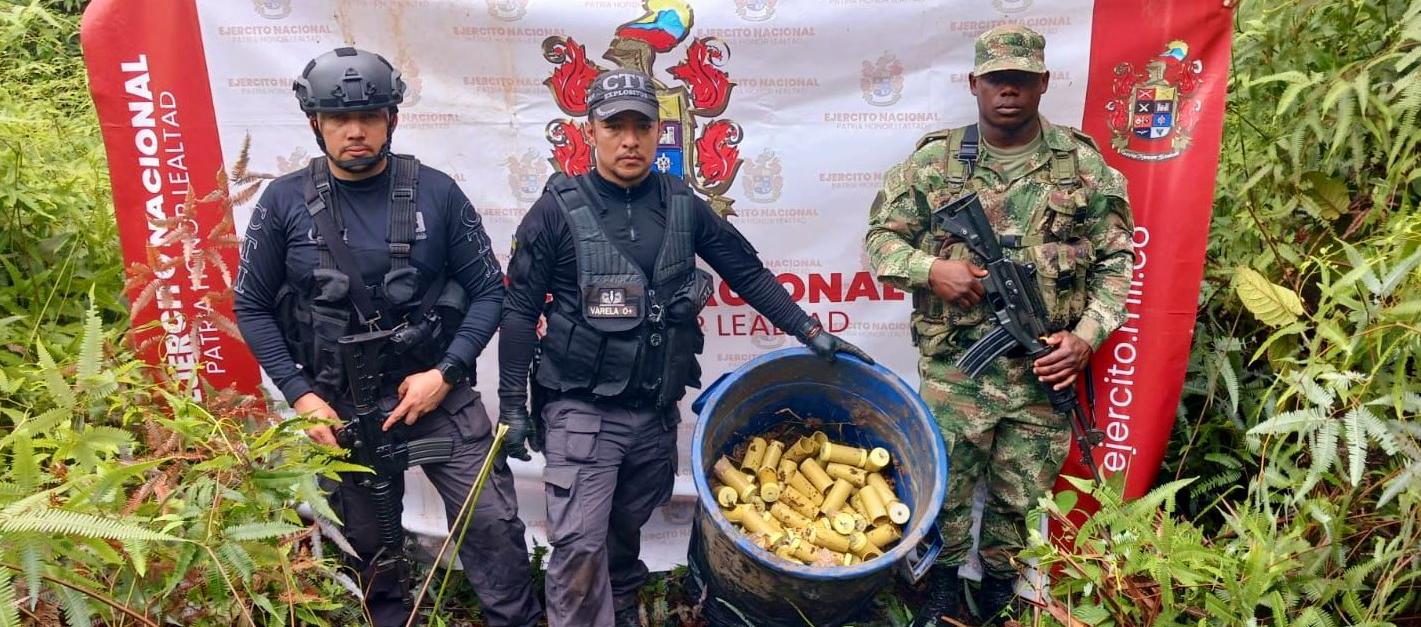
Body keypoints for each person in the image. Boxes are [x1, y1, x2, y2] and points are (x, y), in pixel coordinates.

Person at [497, 67, 872, 627]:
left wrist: (810, 331)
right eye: (614, 126)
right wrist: (509, 404)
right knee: (578, 542)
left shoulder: (683, 205)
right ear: (590, 131)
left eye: (641, 127)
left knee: (625, 524)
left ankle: (620, 604)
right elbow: (521, 309)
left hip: (652, 409)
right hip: (580, 407)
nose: (629, 140)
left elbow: (748, 273)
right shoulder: (555, 211)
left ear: (658, 133)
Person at [233, 47, 542, 627]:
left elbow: (490, 292)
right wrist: (301, 397)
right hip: (337, 406)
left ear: (392, 120)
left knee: (493, 525)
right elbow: (250, 306)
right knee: (368, 551)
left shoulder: (438, 193)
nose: (355, 131)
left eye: (370, 116)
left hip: (434, 395)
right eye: (338, 119)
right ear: (316, 124)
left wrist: (445, 372)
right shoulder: (282, 203)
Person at [864, 25, 1136, 625]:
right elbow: (880, 242)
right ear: (974, 85)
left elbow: (1118, 260)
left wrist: (1087, 336)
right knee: (945, 488)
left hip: (1043, 369)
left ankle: (999, 593)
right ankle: (939, 587)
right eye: (995, 80)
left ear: (1042, 83)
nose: (1007, 91)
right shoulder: (935, 163)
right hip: (956, 369)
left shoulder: (1082, 166)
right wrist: (933, 269)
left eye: (1019, 79)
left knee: (1021, 496)